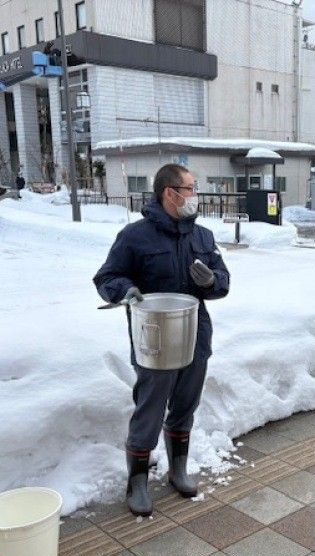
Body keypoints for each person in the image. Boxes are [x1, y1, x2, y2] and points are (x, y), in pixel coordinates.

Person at [93, 164, 230, 516]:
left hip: (195, 335)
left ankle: (178, 469)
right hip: (153, 339)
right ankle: (137, 481)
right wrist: (126, 290)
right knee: (150, 408)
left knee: (186, 404)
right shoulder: (134, 237)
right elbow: (107, 277)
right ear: (169, 193)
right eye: (190, 188)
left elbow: (223, 281)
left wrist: (210, 281)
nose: (194, 195)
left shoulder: (202, 236)